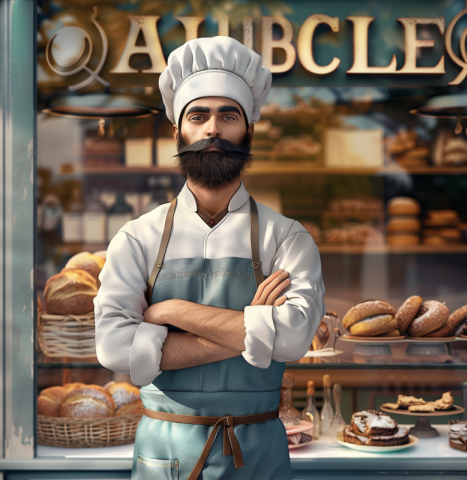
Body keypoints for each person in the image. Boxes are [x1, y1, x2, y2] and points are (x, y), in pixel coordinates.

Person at [94, 36, 326, 480]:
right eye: (198, 116)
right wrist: (256, 327)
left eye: (228, 115)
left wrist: (169, 313)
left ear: (248, 130)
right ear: (178, 131)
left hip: (259, 454)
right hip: (164, 452)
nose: (213, 129)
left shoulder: (287, 237)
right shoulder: (137, 237)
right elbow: (114, 348)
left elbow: (295, 339)